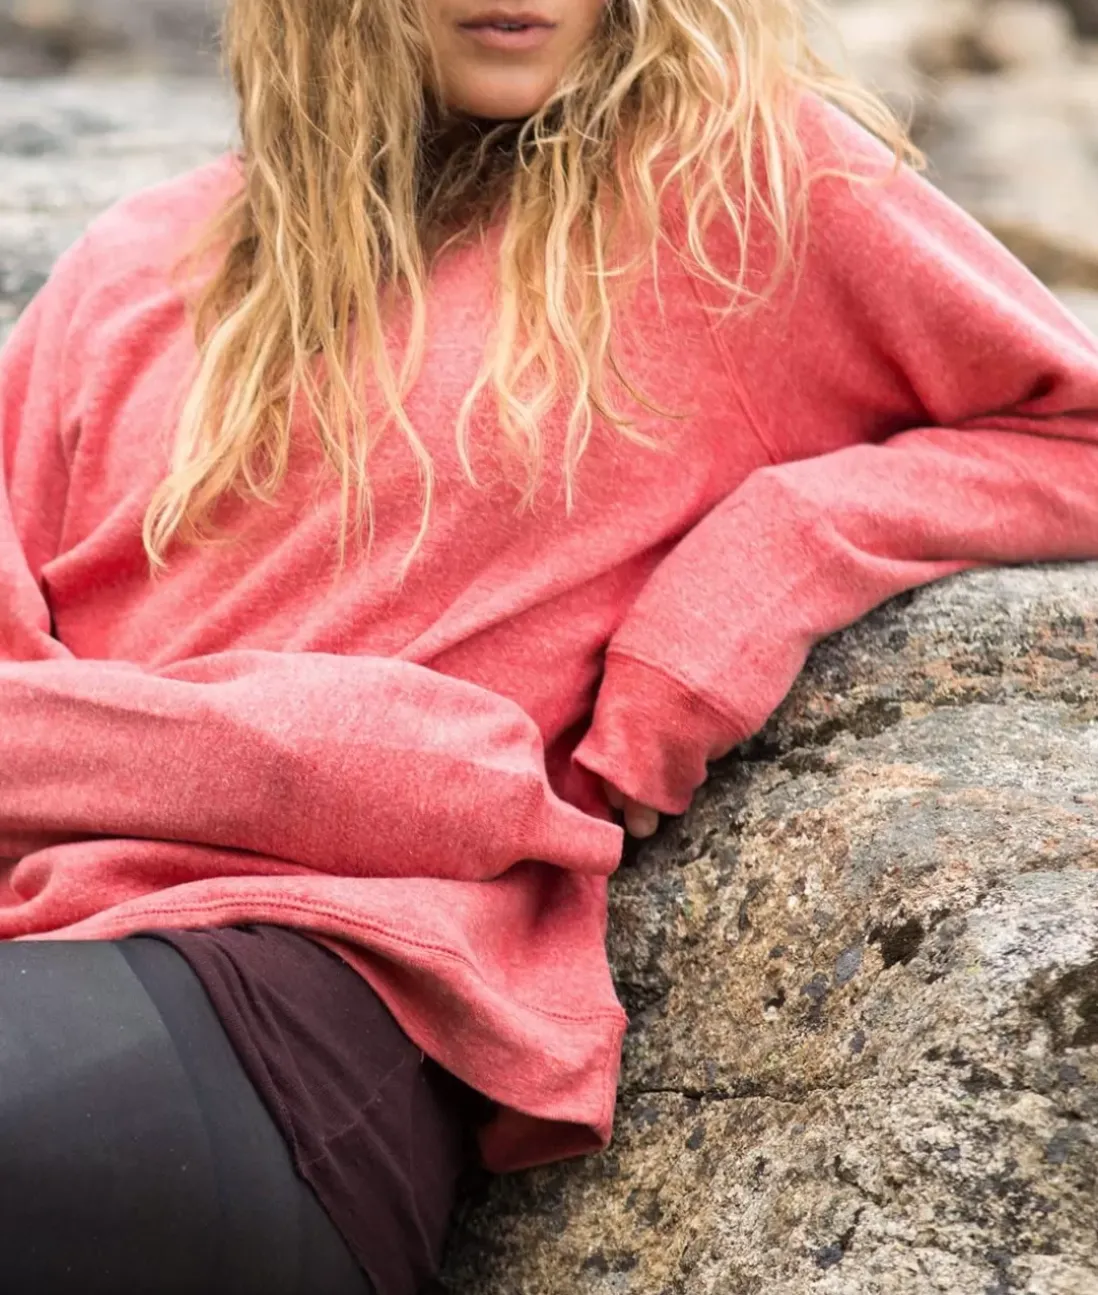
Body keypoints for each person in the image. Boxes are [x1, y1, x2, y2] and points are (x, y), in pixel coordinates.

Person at [3, 0, 1098, 1291]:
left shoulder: (741, 189)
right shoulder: (138, 259)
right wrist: (321, 760)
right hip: (42, 944)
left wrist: (771, 559)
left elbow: (1072, 431)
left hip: (306, 992)